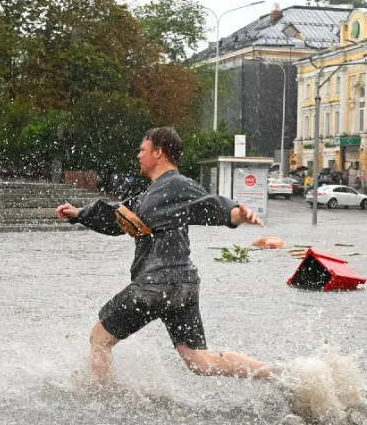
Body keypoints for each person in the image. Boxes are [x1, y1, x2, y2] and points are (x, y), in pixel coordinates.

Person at [55, 127, 278, 384]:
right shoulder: (150, 194)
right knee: (199, 361)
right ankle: (277, 373)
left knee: (99, 339)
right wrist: (80, 214)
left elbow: (212, 204)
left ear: (158, 152)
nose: (138, 155)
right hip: (182, 287)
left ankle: (101, 400)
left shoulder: (177, 184)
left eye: (143, 149)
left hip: (156, 285)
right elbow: (117, 217)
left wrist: (238, 213)